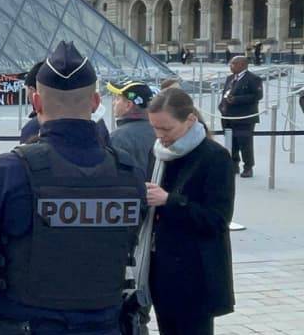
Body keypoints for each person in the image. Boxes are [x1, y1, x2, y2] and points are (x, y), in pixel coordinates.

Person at [0, 41, 145, 333]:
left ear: (36, 102)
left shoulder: (4, 173)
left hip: (22, 322)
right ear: (94, 102)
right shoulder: (128, 172)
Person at [145, 88, 235, 334]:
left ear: (191, 120)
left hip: (196, 273)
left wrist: (169, 201)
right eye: (154, 127)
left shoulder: (215, 157)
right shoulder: (158, 154)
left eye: (166, 129)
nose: (160, 135)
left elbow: (217, 220)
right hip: (162, 269)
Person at [20, 60, 110, 145]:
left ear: (36, 99)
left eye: (27, 89)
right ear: (95, 100)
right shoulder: (99, 123)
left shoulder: (32, 128)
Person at [220, 56, 261, 178]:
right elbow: (225, 94)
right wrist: (222, 106)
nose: (230, 66)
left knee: (245, 142)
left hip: (244, 117)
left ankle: (248, 167)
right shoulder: (230, 78)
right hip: (228, 116)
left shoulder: (253, 79)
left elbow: (257, 95)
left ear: (242, 65)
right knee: (231, 142)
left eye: (233, 64)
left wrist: (237, 100)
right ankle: (233, 164)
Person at [107, 79, 157, 179]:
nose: (114, 103)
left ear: (128, 105)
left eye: (117, 99)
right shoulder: (161, 132)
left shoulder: (117, 138)